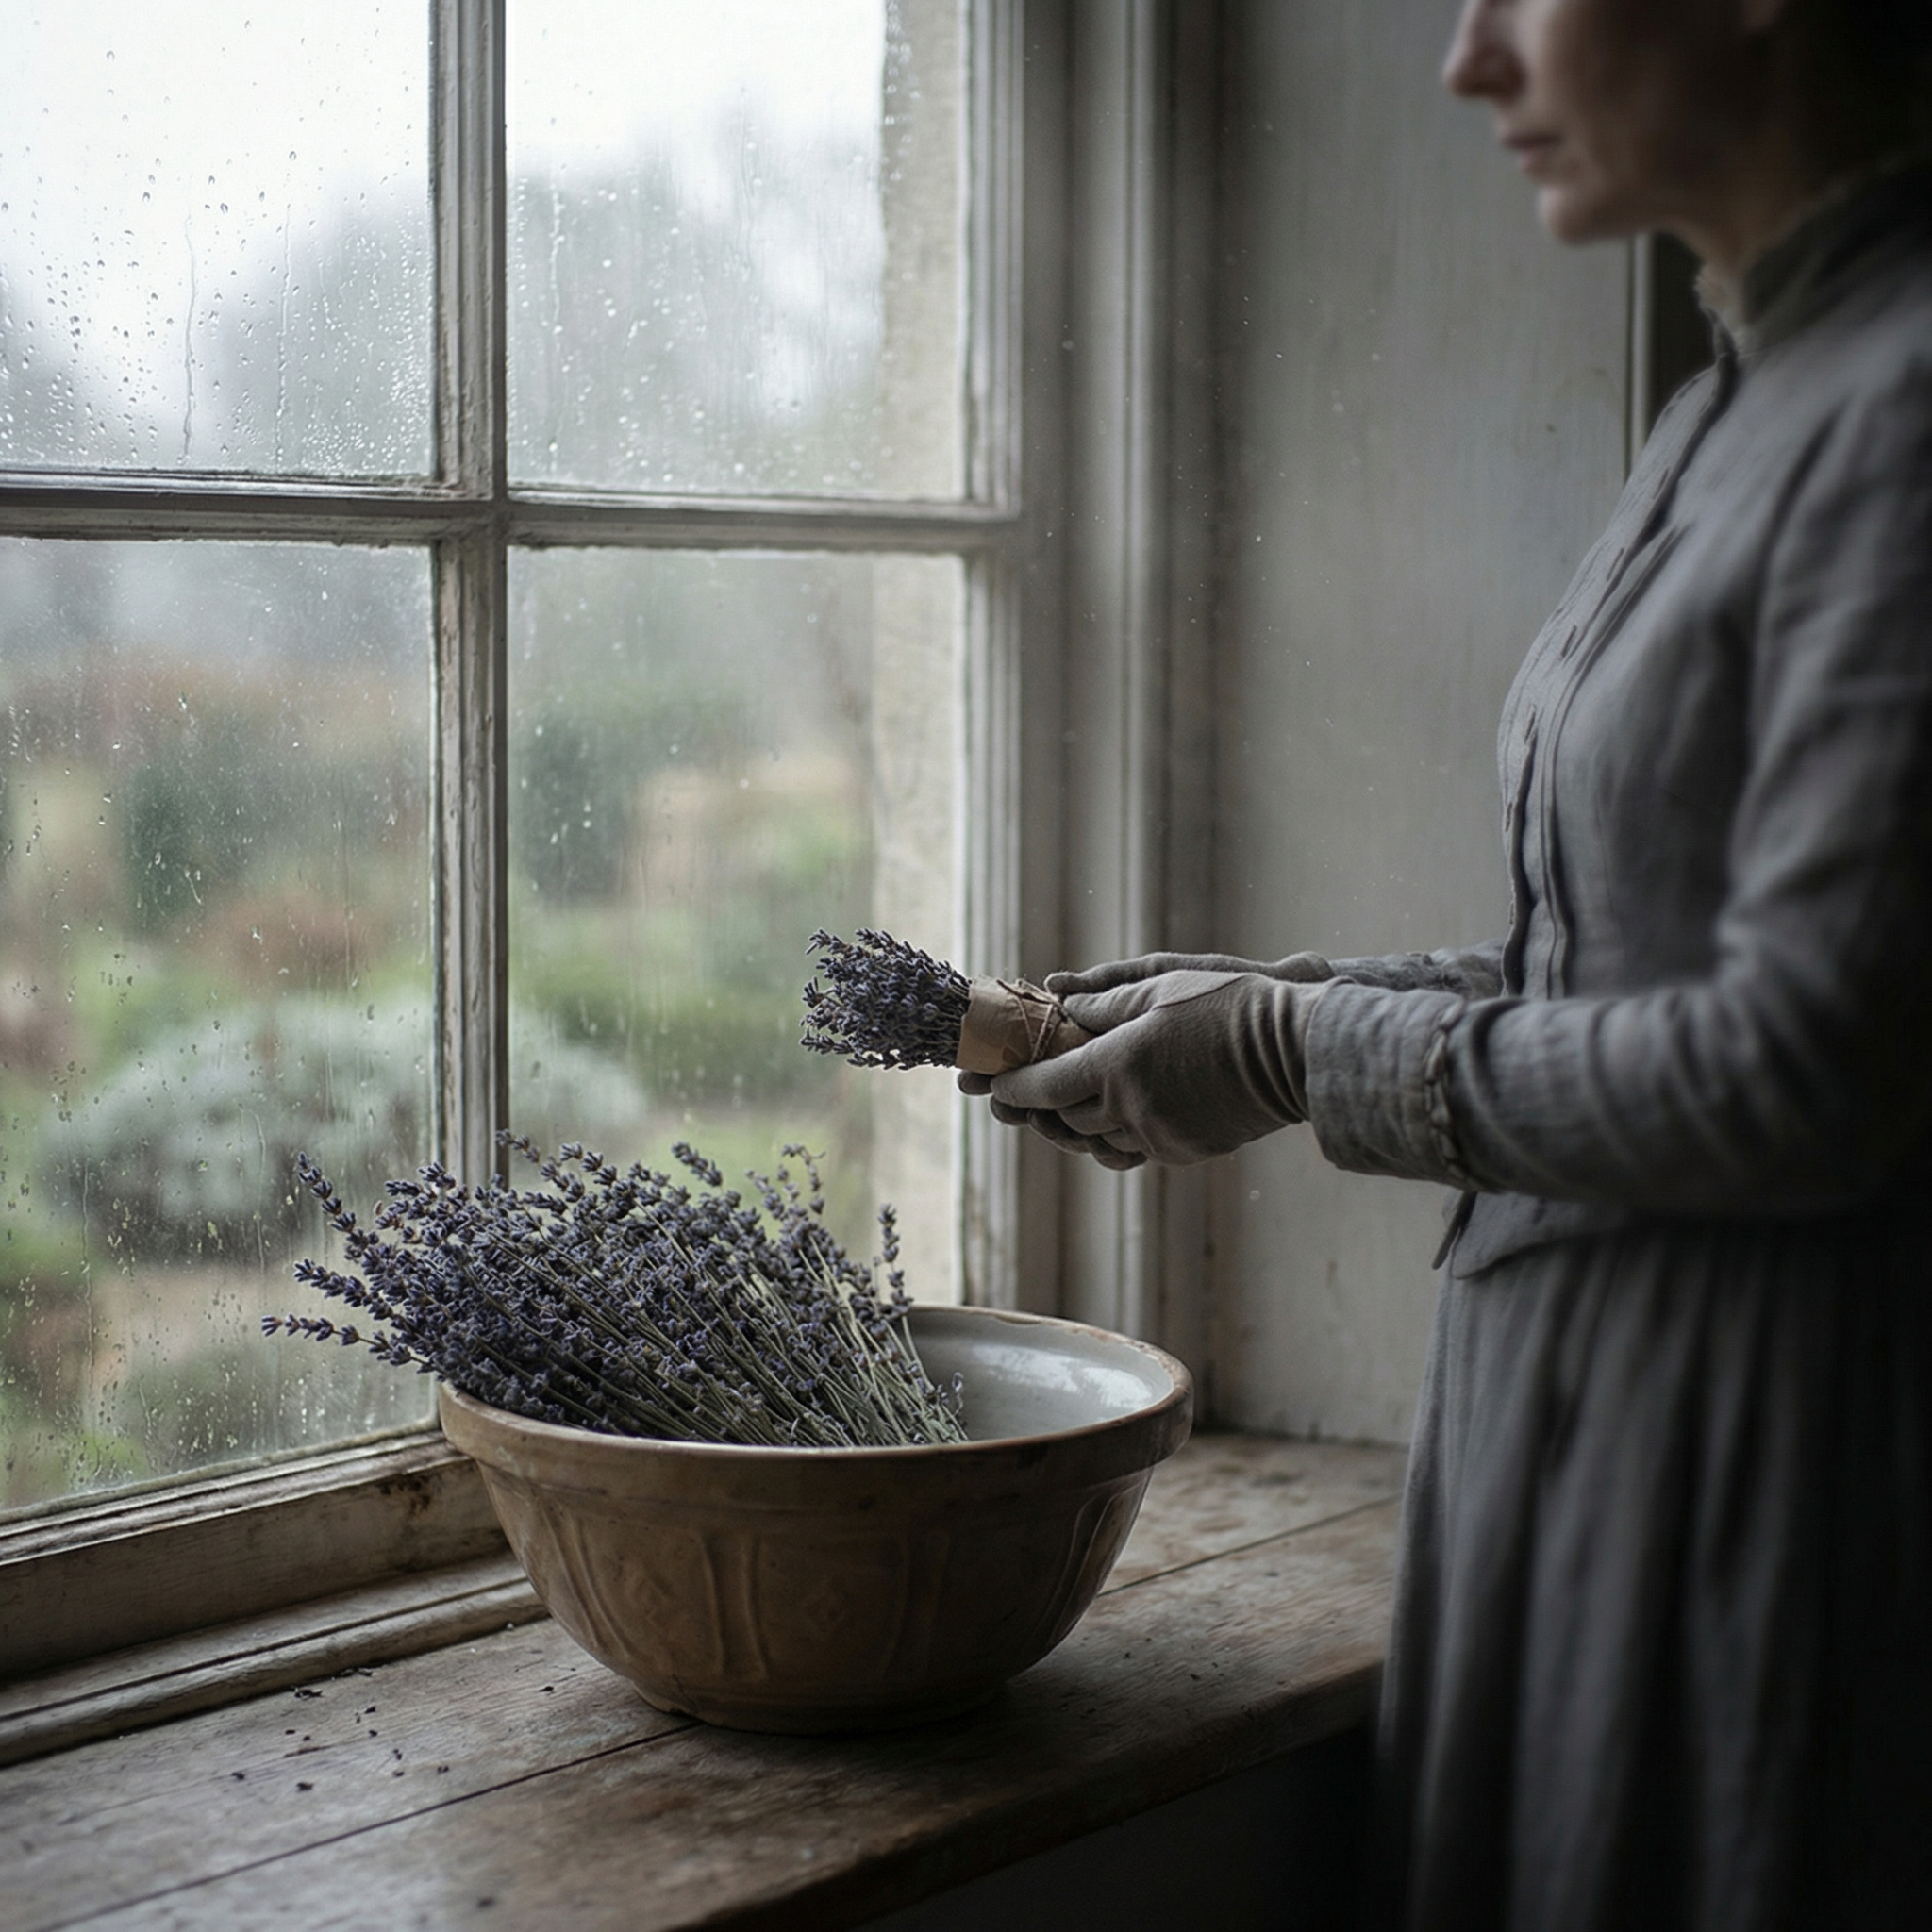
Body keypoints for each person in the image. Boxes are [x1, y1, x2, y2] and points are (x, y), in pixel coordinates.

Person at [965, 2, 1932, 1925]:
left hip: (1761, 1456)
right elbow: (1621, 952)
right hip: (1577, 1424)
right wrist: (1258, 999)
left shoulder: (1901, 410)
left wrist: (1299, 1049)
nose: (1465, 65)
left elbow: (1812, 1068)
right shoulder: (1738, 395)